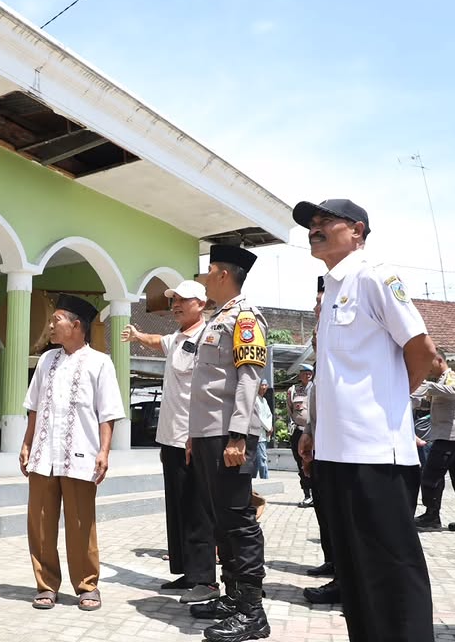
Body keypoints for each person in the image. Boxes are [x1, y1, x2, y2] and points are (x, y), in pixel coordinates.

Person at [294, 198, 437, 641]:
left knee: (393, 568)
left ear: (356, 230)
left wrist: (392, 407)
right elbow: (334, 374)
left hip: (377, 452)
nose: (315, 229)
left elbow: (423, 352)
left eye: (324, 222)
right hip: (335, 454)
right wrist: (315, 430)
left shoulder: (375, 276)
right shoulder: (332, 288)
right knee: (355, 572)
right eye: (311, 224)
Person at [19, 294, 125, 612]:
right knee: (39, 524)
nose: (51, 325)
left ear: (76, 325)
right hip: (42, 456)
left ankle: (87, 585)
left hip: (80, 455)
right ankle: (46, 584)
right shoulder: (46, 361)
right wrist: (26, 444)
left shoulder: (100, 363)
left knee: (81, 524)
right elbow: (34, 410)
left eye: (57, 320)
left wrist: (104, 452)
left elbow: (108, 414)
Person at [186, 244, 270, 642]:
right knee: (221, 520)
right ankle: (233, 597)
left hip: (229, 434)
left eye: (207, 272)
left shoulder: (245, 319)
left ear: (222, 274)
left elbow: (249, 379)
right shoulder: (214, 319)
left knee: (238, 521)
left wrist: (238, 434)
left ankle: (253, 610)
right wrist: (193, 435)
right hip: (207, 434)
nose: (203, 279)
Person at [121, 280, 219, 604]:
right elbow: (155, 341)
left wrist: (196, 434)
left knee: (197, 510)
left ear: (201, 304)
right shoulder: (178, 338)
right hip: (170, 438)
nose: (175, 305)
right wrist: (136, 336)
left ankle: (205, 579)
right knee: (177, 507)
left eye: (182, 300)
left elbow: (209, 392)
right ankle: (187, 572)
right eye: (173, 300)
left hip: (192, 438)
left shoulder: (208, 338)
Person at [298, 276, 339, 605]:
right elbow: (318, 394)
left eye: (321, 302)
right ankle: (336, 566)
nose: (316, 308)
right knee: (326, 509)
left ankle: (345, 578)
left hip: (344, 444)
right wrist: (310, 432)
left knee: (340, 512)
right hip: (322, 439)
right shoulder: (321, 338)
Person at [412, 353, 455, 533]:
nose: (428, 369)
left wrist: (428, 386)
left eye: (430, 364)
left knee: (430, 476)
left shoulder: (451, 377)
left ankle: (432, 516)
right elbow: (421, 402)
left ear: (440, 360)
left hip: (449, 437)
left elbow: (454, 392)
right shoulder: (440, 380)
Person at [287, 364, 314, 507]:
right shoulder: (293, 391)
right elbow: (290, 410)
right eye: (305, 373)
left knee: (316, 465)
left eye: (310, 373)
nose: (308, 375)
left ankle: (318, 495)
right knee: (302, 465)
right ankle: (307, 495)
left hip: (315, 432)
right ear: (300, 375)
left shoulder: (317, 388)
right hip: (299, 432)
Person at [251, 381, 273, 480]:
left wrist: (270, 427)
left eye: (265, 385)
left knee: (257, 460)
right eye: (262, 385)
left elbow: (269, 415)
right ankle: (264, 480)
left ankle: (253, 480)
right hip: (258, 433)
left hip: (263, 433)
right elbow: (259, 417)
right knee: (261, 460)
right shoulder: (255, 399)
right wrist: (268, 427)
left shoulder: (264, 400)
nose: (264, 387)